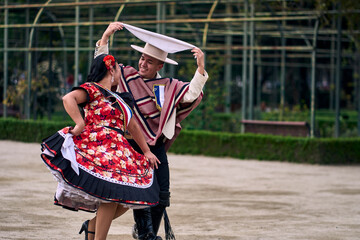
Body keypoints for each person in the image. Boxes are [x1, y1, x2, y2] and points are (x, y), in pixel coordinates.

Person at [88, 22, 209, 240]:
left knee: (162, 195)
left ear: (159, 65)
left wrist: (200, 68)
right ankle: (145, 233)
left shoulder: (167, 86)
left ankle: (144, 232)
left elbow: (190, 95)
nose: (143, 63)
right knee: (138, 191)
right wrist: (105, 37)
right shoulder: (124, 75)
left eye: (149, 61)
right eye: (142, 58)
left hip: (156, 145)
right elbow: (103, 67)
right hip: (129, 144)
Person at [40, 53, 161, 240]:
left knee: (129, 196)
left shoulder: (121, 99)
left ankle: (92, 226)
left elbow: (133, 126)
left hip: (119, 151)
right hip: (99, 147)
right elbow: (68, 99)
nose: (121, 72)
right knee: (112, 196)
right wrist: (79, 124)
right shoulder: (92, 89)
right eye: (118, 69)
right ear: (111, 69)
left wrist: (146, 151)